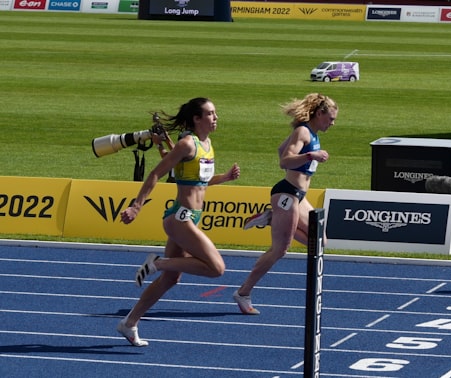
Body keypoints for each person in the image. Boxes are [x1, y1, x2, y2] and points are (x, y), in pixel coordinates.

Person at [116, 97, 242, 346]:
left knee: (171, 279)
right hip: (179, 218)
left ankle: (129, 323)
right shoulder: (187, 144)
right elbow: (156, 173)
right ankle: (158, 262)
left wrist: (225, 177)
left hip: (191, 216)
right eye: (210, 113)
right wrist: (136, 206)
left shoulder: (206, 143)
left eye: (216, 112)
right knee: (217, 268)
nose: (216, 117)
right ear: (197, 118)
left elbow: (199, 182)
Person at [234, 93, 338, 315]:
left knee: (319, 241)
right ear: (319, 114)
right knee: (280, 249)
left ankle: (272, 217)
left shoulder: (310, 133)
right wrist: (311, 155)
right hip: (287, 194)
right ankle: (243, 293)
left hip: (297, 196)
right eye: (330, 118)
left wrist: (307, 156)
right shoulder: (303, 132)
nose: (332, 123)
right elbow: (284, 160)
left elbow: (282, 150)